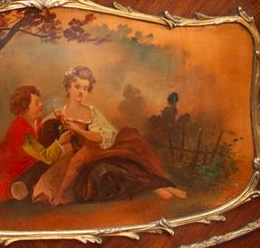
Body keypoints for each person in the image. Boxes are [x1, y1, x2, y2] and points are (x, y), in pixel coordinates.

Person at [32, 64, 187, 206]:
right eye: (77, 86)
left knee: (125, 155)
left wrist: (78, 130)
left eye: (85, 88)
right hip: (72, 158)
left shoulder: (92, 112)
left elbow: (102, 137)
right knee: (68, 171)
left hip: (97, 151)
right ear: (68, 88)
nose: (81, 92)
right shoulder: (60, 112)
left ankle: (160, 187)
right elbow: (41, 130)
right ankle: (157, 187)